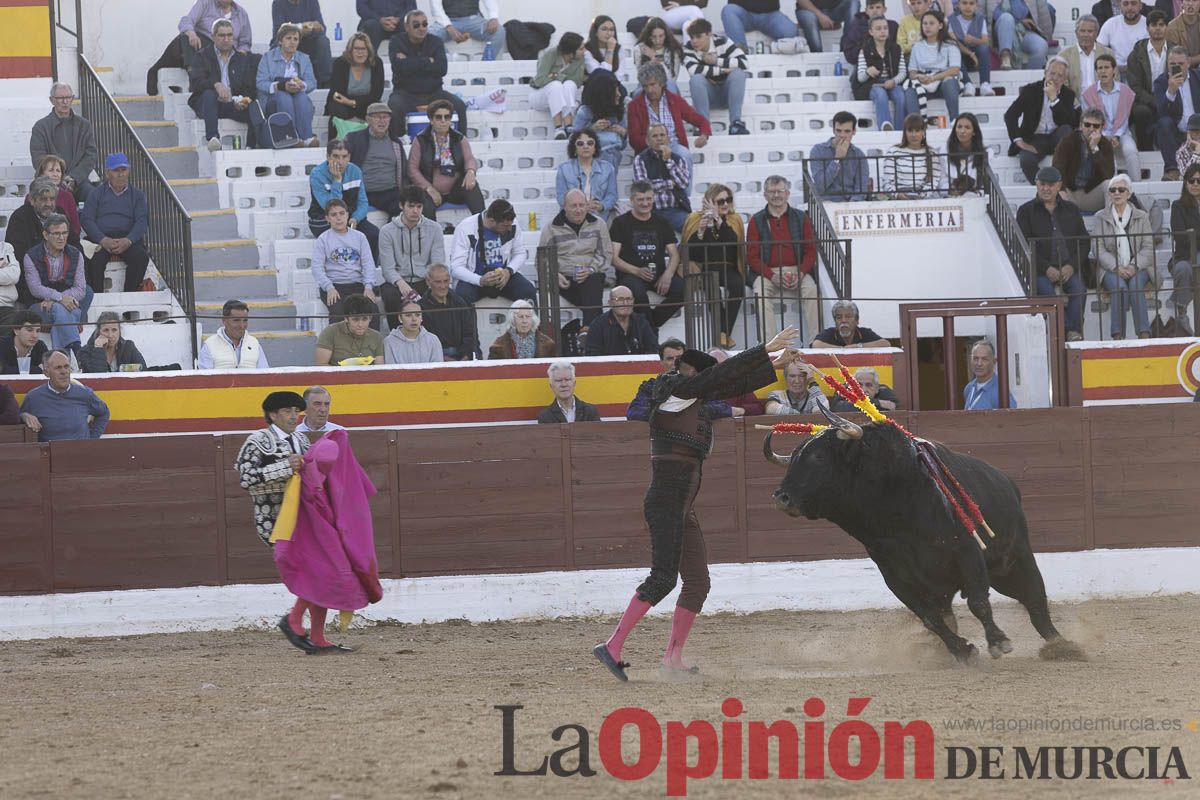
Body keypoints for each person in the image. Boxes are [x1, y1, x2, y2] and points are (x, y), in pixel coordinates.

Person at [592, 327, 801, 682]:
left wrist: (773, 362)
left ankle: (672, 658)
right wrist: (763, 349)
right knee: (662, 578)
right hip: (667, 501)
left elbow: (724, 385)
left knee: (697, 581)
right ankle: (612, 646)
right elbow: (718, 380)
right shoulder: (675, 391)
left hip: (681, 504)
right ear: (692, 374)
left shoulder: (691, 399)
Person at [1016, 166, 1089, 341]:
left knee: (1079, 290)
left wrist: (1071, 266)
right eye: (1042, 184)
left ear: (1059, 186)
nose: (1046, 189)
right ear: (1036, 185)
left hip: (1068, 266)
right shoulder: (1026, 211)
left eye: (1050, 184)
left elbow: (1085, 241)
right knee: (1047, 293)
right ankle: (1066, 333)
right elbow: (1023, 246)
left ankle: (1072, 332)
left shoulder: (1071, 209)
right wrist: (1046, 268)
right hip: (1040, 270)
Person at [747, 176, 820, 346]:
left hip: (798, 270)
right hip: (768, 273)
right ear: (765, 195)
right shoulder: (756, 220)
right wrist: (771, 275)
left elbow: (810, 251)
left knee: (811, 290)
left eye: (780, 191)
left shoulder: (801, 217)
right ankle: (772, 345)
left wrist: (801, 272)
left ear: (787, 194)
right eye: (772, 192)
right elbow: (752, 256)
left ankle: (815, 342)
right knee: (760, 293)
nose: (776, 195)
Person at [609, 181, 686, 329]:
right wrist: (636, 271)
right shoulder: (620, 223)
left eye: (649, 199)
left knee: (684, 289)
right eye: (640, 200)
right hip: (630, 275)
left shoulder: (662, 222)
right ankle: (650, 333)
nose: (645, 203)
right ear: (632, 200)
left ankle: (651, 324)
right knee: (637, 293)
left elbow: (674, 255)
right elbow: (614, 258)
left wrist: (668, 275)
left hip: (657, 274)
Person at [681, 184, 747, 349]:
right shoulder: (695, 218)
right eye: (720, 201)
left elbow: (732, 242)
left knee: (738, 286)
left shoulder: (734, 219)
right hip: (706, 268)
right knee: (713, 290)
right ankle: (723, 336)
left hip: (728, 267)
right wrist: (701, 231)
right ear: (709, 202)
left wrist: (718, 219)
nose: (725, 204)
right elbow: (692, 252)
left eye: (728, 200)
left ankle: (722, 334)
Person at [627, 61, 712, 185]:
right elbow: (634, 140)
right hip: (648, 149)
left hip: (673, 145)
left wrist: (704, 135)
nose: (649, 90)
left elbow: (700, 120)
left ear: (661, 83)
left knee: (685, 155)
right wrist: (654, 144)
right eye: (645, 86)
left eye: (652, 84)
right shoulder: (635, 105)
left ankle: (685, 199)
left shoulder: (674, 100)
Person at [388, 10, 468, 138]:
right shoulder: (396, 41)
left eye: (424, 24)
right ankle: (399, 144)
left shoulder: (435, 41)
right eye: (416, 25)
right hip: (406, 94)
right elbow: (399, 68)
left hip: (434, 93)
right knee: (394, 104)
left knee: (459, 105)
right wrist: (428, 60)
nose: (421, 28)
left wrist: (410, 61)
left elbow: (442, 69)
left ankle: (461, 143)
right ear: (406, 27)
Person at [5, 177, 82, 308]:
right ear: (32, 200)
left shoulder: (60, 214)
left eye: (52, 199)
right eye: (43, 199)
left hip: (63, 282)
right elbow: (18, 256)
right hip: (33, 284)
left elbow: (75, 246)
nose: (48, 203)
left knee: (88, 292)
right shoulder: (20, 218)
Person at [1095, 173, 1154, 339]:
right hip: (1110, 268)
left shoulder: (1142, 216)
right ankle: (1117, 336)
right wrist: (1116, 267)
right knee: (1120, 287)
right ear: (1109, 194)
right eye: (1113, 190)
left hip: (1139, 267)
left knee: (1135, 285)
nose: (1117, 193)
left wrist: (1133, 266)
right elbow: (1098, 249)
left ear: (1128, 194)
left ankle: (1144, 334)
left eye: (1121, 189)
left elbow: (1148, 248)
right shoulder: (1100, 217)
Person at [541, 189, 612, 328]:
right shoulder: (551, 227)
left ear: (587, 205)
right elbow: (542, 260)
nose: (578, 210)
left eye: (582, 205)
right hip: (564, 280)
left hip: (590, 276)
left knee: (594, 281)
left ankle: (588, 331)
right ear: (564, 206)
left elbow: (606, 255)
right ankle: (592, 334)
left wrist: (591, 269)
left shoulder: (599, 224)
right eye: (574, 206)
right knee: (592, 296)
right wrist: (554, 275)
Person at [80, 153, 149, 294]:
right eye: (116, 171)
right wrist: (102, 239)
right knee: (93, 258)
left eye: (123, 170)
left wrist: (128, 240)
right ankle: (97, 298)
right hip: (101, 239)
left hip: (127, 239)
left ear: (128, 171)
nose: (120, 174)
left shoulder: (138, 195)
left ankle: (129, 297)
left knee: (140, 257)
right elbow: (87, 219)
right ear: (107, 173)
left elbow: (142, 221)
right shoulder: (96, 193)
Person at [23, 214, 93, 354]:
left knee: (84, 294)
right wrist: (60, 299)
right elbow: (35, 289)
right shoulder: (31, 256)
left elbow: (80, 289)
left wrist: (55, 301)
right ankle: (78, 350)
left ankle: (61, 357)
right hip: (39, 306)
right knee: (63, 311)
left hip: (62, 304)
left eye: (64, 233)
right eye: (56, 233)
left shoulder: (76, 254)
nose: (61, 238)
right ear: (45, 234)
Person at [407, 99, 484, 221]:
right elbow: (412, 169)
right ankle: (433, 237)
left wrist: (470, 172)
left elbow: (469, 158)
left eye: (447, 117)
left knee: (472, 187)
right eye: (438, 117)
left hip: (454, 191)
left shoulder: (459, 138)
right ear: (431, 120)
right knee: (425, 204)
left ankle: (482, 226)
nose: (443, 121)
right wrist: (428, 188)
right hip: (430, 189)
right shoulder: (420, 140)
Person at [379, 186, 445, 328]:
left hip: (424, 280)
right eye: (410, 206)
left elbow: (437, 264)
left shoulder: (434, 229)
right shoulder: (387, 231)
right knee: (391, 297)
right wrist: (401, 284)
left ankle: (434, 342)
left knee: (442, 296)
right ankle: (396, 336)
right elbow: (387, 268)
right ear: (401, 205)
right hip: (397, 282)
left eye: (419, 206)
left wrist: (430, 282)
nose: (415, 211)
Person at [449, 200, 538, 306]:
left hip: (504, 276)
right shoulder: (465, 228)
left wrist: (508, 271)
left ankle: (533, 323)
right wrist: (480, 280)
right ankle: (468, 323)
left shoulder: (511, 223)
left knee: (528, 291)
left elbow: (520, 253)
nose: (510, 228)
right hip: (474, 278)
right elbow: (456, 267)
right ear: (491, 221)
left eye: (510, 225)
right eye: (505, 226)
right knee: (462, 296)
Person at [187, 19, 256, 152]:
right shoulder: (202, 56)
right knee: (209, 94)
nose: (226, 39)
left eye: (229, 35)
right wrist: (215, 85)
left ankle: (251, 147)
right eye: (222, 35)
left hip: (231, 104)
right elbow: (195, 83)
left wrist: (240, 100)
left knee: (255, 106)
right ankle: (213, 139)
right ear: (213, 37)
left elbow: (248, 87)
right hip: (208, 104)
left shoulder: (242, 59)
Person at [1004, 57, 1077, 184]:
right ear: (1045, 73)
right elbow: (1010, 115)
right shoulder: (1031, 90)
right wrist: (1018, 141)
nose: (1055, 78)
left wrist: (1054, 99)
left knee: (1067, 130)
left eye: (1060, 76)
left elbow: (1068, 122)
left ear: (1065, 80)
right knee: (1025, 158)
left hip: (1056, 137)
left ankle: (1060, 182)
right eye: (1052, 73)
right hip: (1035, 137)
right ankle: (1043, 185)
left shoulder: (1068, 94)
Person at [312, 199, 379, 325]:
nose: (338, 218)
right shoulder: (323, 239)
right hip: (334, 285)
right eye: (334, 215)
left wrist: (369, 287)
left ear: (348, 215)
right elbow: (316, 268)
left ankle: (371, 345)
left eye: (342, 213)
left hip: (357, 284)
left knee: (373, 312)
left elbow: (368, 264)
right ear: (327, 218)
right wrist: (329, 288)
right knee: (338, 314)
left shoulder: (360, 237)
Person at [19, 349, 109, 441]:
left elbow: (104, 412)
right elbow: (18, 419)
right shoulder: (34, 397)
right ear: (46, 372)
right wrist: (24, 416)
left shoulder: (84, 394)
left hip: (81, 452)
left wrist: (92, 439)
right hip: (50, 454)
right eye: (58, 367)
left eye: (66, 366)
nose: (64, 371)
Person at [308, 139, 379, 256]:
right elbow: (330, 207)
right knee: (339, 237)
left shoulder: (355, 171)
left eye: (344, 156)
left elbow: (363, 203)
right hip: (324, 218)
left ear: (349, 157)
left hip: (350, 217)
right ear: (327, 156)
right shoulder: (317, 174)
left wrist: (356, 218)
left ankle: (370, 269)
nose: (340, 162)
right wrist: (336, 180)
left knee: (373, 234)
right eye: (335, 156)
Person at [29, 83, 98, 201]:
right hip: (50, 183)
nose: (65, 102)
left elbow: (91, 155)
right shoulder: (40, 127)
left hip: (79, 182)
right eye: (61, 98)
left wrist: (74, 178)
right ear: (52, 100)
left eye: (68, 97)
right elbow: (38, 159)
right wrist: (59, 178)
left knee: (95, 197)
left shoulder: (84, 125)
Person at [683, 18, 750, 136]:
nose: (694, 41)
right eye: (692, 37)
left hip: (727, 94)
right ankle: (703, 126)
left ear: (709, 34)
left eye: (698, 36)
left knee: (738, 74)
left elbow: (744, 63)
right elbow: (694, 70)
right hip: (708, 95)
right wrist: (723, 70)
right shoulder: (688, 48)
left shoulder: (722, 41)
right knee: (696, 79)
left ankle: (736, 124)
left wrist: (716, 61)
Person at [257, 23, 320, 148]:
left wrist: (302, 85)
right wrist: (281, 86)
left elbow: (312, 82)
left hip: (296, 96)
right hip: (273, 100)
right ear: (280, 41)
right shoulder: (267, 57)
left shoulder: (304, 58)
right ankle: (291, 136)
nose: (292, 42)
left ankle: (306, 137)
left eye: (295, 39)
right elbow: (260, 83)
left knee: (301, 96)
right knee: (283, 96)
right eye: (288, 38)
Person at [1082, 54, 1141, 178]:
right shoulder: (1088, 94)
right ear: (1096, 71)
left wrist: (1116, 136)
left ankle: (1137, 187)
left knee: (1131, 151)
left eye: (1106, 67)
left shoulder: (1126, 91)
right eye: (1099, 68)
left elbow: (1125, 120)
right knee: (1108, 154)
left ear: (1114, 70)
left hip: (1123, 133)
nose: (1103, 71)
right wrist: (1105, 136)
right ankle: (1112, 190)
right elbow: (1089, 121)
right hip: (1098, 134)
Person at [344, 103, 407, 219]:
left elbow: (404, 171)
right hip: (362, 193)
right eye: (377, 117)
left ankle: (389, 236)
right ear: (368, 119)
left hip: (390, 192)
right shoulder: (353, 139)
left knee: (404, 210)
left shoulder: (396, 142)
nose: (382, 121)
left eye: (385, 117)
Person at [1053, 107, 1117, 212]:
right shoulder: (1068, 141)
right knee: (1050, 188)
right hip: (1069, 194)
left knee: (1110, 185)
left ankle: (1110, 224)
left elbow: (1108, 174)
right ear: (1081, 125)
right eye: (1087, 125)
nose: (1091, 129)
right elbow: (1057, 168)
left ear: (1102, 128)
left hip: (1091, 194)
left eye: (1096, 126)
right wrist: (1061, 190)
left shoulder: (1105, 144)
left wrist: (1095, 149)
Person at [632, 122, 692, 231]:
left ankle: (682, 249)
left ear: (668, 139)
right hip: (651, 211)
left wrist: (669, 161)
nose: (659, 139)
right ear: (647, 141)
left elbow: (683, 183)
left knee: (694, 226)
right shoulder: (640, 159)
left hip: (676, 210)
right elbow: (644, 188)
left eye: (662, 135)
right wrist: (670, 183)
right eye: (654, 136)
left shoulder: (678, 159)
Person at [854, 14, 910, 132]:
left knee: (900, 96)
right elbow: (860, 78)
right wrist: (868, 72)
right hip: (872, 85)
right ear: (871, 32)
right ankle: (885, 126)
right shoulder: (864, 50)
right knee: (880, 95)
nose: (883, 31)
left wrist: (894, 81)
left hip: (892, 83)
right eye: (878, 29)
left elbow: (903, 72)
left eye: (885, 28)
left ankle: (900, 129)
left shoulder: (896, 48)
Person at [325, 32, 384, 140]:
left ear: (369, 51)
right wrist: (349, 103)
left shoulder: (376, 63)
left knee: (380, 110)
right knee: (337, 111)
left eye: (363, 49)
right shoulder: (340, 63)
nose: (360, 52)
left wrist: (351, 102)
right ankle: (334, 145)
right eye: (356, 49)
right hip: (343, 105)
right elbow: (337, 92)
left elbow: (376, 94)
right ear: (350, 51)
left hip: (366, 104)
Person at [904, 10, 961, 123]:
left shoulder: (950, 45)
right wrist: (921, 76)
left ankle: (954, 121)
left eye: (931, 23)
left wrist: (933, 78)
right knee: (910, 90)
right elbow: (912, 72)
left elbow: (955, 69)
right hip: (923, 81)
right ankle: (916, 125)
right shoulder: (917, 46)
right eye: (924, 24)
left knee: (950, 82)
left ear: (940, 25)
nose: (927, 27)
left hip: (942, 81)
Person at [530, 33, 587, 140]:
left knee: (569, 85)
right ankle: (558, 128)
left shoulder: (580, 59)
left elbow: (577, 81)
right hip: (541, 96)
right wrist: (560, 78)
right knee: (556, 85)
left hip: (562, 95)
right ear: (571, 52)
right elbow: (539, 80)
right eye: (581, 49)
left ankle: (569, 127)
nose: (584, 52)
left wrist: (554, 75)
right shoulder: (550, 55)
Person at [1154, 46, 1200, 179]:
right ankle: (1172, 170)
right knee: (1163, 123)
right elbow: (1160, 112)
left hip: (1198, 128)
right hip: (1176, 132)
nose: (1177, 67)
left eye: (1180, 63)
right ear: (1167, 64)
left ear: (1189, 63)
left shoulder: (1198, 77)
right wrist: (1171, 91)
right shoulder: (1161, 82)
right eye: (1172, 64)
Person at [1127, 11, 1170, 149]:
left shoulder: (1175, 51)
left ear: (1167, 27)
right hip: (1144, 101)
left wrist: (1165, 100)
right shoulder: (1136, 53)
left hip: (1169, 99)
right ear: (1147, 28)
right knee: (1141, 112)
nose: (1157, 28)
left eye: (1161, 25)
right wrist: (1154, 101)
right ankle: (1145, 151)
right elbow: (1135, 86)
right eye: (1153, 25)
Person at [571, 69, 628, 173]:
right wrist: (592, 129)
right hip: (590, 155)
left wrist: (623, 133)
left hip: (612, 154)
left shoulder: (620, 112)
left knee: (610, 153)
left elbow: (623, 145)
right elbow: (573, 141)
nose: (619, 94)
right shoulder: (585, 111)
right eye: (615, 91)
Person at [419, 263, 479, 360]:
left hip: (462, 354)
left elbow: (470, 333)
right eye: (438, 282)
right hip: (436, 357)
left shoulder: (459, 302)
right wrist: (443, 359)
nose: (443, 286)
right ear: (428, 282)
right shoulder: (421, 307)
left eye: (446, 281)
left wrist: (466, 356)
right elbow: (423, 343)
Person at [556, 129, 618, 219]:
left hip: (599, 217)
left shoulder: (608, 168)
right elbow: (561, 197)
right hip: (572, 217)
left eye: (590, 143)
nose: (585, 146)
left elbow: (612, 195)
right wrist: (581, 207)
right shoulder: (564, 169)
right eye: (580, 143)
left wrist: (601, 206)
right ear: (574, 148)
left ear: (595, 147)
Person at [809, 111, 870, 200]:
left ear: (854, 132)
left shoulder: (859, 155)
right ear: (833, 130)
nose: (842, 135)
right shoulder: (818, 150)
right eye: (838, 131)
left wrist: (850, 207)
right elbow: (820, 186)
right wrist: (837, 159)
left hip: (850, 205)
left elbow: (861, 190)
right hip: (825, 203)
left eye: (847, 131)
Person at [1169, 162, 1200, 334]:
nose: (1195, 184)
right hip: (1184, 256)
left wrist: (1194, 233)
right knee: (1183, 269)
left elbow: (1190, 235)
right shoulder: (1178, 206)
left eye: (1199, 181)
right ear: (1185, 183)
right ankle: (1181, 311)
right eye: (1191, 180)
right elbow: (1180, 237)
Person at [273, 0, 332, 89]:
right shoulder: (278, 3)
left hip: (308, 41)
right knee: (284, 43)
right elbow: (280, 30)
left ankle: (325, 82)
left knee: (323, 41)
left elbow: (320, 28)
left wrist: (305, 30)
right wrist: (302, 27)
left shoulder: (312, 2)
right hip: (286, 42)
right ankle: (283, 82)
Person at [884, 113, 946, 197]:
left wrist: (922, 195)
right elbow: (887, 182)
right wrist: (897, 195)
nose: (914, 135)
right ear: (905, 132)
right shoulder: (893, 152)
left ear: (923, 131)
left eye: (917, 130)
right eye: (910, 131)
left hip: (924, 198)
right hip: (898, 198)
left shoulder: (932, 153)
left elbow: (933, 181)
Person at [585, 285, 659, 356]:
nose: (625, 303)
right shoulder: (598, 325)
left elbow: (653, 348)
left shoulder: (641, 321)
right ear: (610, 303)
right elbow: (592, 355)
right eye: (620, 299)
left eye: (629, 299)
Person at [314, 293, 385, 365]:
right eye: (355, 320)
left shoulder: (376, 337)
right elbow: (321, 365)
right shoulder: (330, 332)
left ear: (370, 318)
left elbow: (379, 367)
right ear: (346, 319)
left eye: (364, 319)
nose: (360, 324)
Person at [197, 299, 269, 369]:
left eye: (245, 320)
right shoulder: (210, 345)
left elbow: (265, 375)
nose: (242, 325)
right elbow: (204, 379)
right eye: (236, 320)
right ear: (224, 320)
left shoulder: (255, 344)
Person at [988, 0, 1053, 69]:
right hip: (998, 33)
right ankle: (1005, 56)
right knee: (1007, 18)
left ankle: (1031, 78)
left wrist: (1047, 36)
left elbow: (1043, 17)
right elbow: (985, 15)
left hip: (1023, 31)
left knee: (1041, 46)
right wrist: (1020, 21)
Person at [428, 0, 506, 56]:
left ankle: (482, 72)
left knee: (499, 31)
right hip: (447, 21)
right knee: (428, 36)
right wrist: (448, 26)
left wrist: (493, 17)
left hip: (473, 20)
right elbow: (435, 7)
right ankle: (450, 68)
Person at [78, 311, 147, 373]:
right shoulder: (85, 352)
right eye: (106, 330)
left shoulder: (128, 347)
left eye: (114, 330)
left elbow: (143, 368)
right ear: (99, 332)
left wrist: (121, 370)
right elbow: (98, 376)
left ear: (119, 331)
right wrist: (98, 348)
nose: (110, 335)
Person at [949, 0, 993, 97]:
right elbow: (953, 42)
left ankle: (985, 84)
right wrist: (970, 54)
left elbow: (985, 41)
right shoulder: (952, 19)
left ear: (976, 6)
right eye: (964, 3)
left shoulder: (980, 18)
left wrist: (974, 40)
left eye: (971, 3)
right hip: (961, 58)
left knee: (984, 48)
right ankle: (967, 84)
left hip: (977, 59)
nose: (968, 7)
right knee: (953, 49)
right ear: (958, 5)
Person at [1061, 15, 1111, 98]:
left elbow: (1113, 83)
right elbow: (1062, 86)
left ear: (1097, 34)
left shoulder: (1108, 54)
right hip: (1074, 104)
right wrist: (1076, 105)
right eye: (1082, 31)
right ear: (1076, 33)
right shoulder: (1064, 56)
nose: (1086, 35)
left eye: (1090, 31)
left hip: (1102, 103)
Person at [488, 299, 556, 359]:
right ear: (513, 320)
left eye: (528, 316)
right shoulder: (499, 346)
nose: (524, 321)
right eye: (520, 317)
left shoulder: (548, 344)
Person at [536, 360, 601, 423]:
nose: (564, 384)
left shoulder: (590, 411)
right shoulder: (545, 416)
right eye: (559, 380)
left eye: (567, 380)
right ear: (551, 386)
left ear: (574, 383)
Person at [635, 16, 686, 95]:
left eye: (661, 36)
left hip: (667, 85)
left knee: (670, 88)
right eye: (653, 36)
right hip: (646, 85)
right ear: (648, 36)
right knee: (638, 93)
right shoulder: (640, 49)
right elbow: (641, 77)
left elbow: (671, 79)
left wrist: (654, 58)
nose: (657, 40)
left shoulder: (673, 49)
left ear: (666, 35)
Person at [720, 0, 800, 50]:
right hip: (744, 14)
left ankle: (777, 48)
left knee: (790, 31)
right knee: (728, 11)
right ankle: (740, 51)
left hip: (770, 14)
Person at [33, 156, 82, 236]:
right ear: (41, 174)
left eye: (58, 171)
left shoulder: (68, 196)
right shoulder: (32, 196)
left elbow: (76, 228)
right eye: (51, 170)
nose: (56, 174)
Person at [811, 299, 890, 347]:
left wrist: (858, 346)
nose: (843, 320)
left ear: (857, 321)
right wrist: (843, 350)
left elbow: (885, 344)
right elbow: (816, 344)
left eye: (848, 316)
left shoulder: (864, 332)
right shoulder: (829, 333)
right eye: (839, 317)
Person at [963, 339, 1017, 409]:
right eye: (975, 358)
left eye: (984, 359)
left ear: (994, 362)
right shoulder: (969, 388)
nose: (979, 364)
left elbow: (1011, 417)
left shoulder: (1000, 391)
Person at [797, 0, 862, 56]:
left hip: (834, 11)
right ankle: (817, 57)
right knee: (809, 18)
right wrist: (820, 16)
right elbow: (802, 1)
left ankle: (846, 51)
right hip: (809, 11)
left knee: (854, 2)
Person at [843, 0, 898, 66]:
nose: (875, 11)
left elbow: (898, 49)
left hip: (889, 66)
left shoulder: (893, 26)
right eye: (871, 8)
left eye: (878, 7)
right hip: (864, 67)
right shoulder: (857, 28)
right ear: (866, 11)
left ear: (884, 9)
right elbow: (849, 54)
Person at [765, 358, 830, 413]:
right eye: (792, 376)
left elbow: (824, 409)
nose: (797, 381)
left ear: (807, 378)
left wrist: (812, 381)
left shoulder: (814, 396)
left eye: (801, 376)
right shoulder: (776, 395)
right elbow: (771, 409)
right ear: (785, 378)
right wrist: (801, 417)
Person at [945, 111, 986, 195]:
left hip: (975, 198)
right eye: (959, 127)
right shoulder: (945, 150)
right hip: (951, 197)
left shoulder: (986, 153)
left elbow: (986, 182)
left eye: (967, 127)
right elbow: (942, 180)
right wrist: (951, 190)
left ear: (974, 132)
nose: (962, 131)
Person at [1098, 0, 1148, 69]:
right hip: (1115, 71)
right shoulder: (1110, 24)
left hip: (1140, 71)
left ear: (1140, 6)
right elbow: (1099, 49)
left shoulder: (1148, 25)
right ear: (1120, 6)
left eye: (1133, 3)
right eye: (1125, 4)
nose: (1130, 8)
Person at [0, 310, 49, 375]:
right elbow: (3, 370)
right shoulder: (2, 344)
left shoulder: (40, 346)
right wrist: (38, 369)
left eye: (38, 331)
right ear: (16, 330)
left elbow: (49, 370)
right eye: (29, 330)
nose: (35, 335)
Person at [830, 366, 899, 411]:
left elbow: (892, 406)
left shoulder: (884, 390)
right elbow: (837, 407)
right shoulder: (844, 390)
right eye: (859, 385)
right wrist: (877, 403)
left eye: (869, 385)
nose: (863, 390)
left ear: (877, 388)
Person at [584, 15, 627, 81]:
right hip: (594, 87)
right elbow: (600, 75)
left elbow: (619, 76)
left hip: (614, 86)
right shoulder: (587, 50)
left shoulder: (619, 49)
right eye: (604, 29)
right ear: (595, 32)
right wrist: (610, 50)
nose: (609, 33)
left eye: (612, 29)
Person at [1167, 0, 1200, 65]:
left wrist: (1191, 60)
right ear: (1182, 3)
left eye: (1194, 0)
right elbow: (1175, 57)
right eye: (1187, 0)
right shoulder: (1172, 27)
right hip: (1182, 68)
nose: (1190, 4)